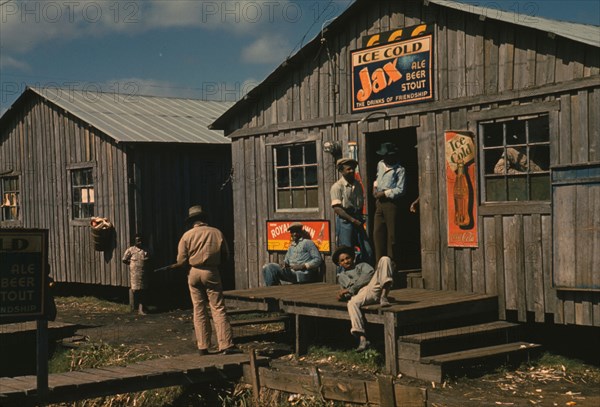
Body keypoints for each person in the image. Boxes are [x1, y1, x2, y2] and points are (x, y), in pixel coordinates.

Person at [170, 205, 239, 355]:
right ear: (204, 219)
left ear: (192, 221)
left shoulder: (187, 236)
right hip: (211, 271)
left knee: (198, 308)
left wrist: (185, 265)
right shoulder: (216, 233)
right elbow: (226, 255)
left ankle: (203, 346)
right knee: (218, 307)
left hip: (194, 272)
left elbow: (181, 260)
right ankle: (225, 344)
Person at [333, 245, 393, 352]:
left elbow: (369, 276)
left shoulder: (363, 266)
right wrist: (342, 295)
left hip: (374, 287)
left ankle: (384, 296)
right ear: (339, 264)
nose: (346, 261)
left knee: (385, 259)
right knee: (351, 303)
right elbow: (348, 293)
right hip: (362, 294)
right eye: (342, 260)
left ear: (352, 258)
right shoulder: (342, 276)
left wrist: (351, 289)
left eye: (348, 258)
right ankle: (362, 338)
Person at [330, 157, 373, 265]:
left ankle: (365, 273)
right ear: (341, 171)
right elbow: (337, 208)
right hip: (345, 221)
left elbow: (360, 204)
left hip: (357, 219)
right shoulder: (337, 187)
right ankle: (344, 276)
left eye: (353, 168)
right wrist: (352, 220)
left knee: (367, 250)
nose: (352, 171)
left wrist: (360, 218)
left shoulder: (357, 185)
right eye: (348, 169)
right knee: (346, 252)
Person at [372, 142, 406, 264]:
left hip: (391, 204)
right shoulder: (380, 164)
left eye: (387, 156)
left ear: (392, 155)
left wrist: (385, 193)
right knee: (377, 233)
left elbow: (400, 190)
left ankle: (392, 264)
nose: (385, 158)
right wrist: (375, 188)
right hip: (379, 203)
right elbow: (377, 178)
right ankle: (379, 264)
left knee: (392, 236)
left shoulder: (399, 169)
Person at [122, 234, 150, 315]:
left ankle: (142, 308)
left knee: (143, 290)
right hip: (134, 274)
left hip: (143, 273)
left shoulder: (145, 250)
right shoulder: (130, 250)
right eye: (138, 240)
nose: (139, 242)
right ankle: (138, 308)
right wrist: (132, 265)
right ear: (134, 242)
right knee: (136, 290)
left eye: (140, 240)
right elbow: (124, 259)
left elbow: (150, 259)